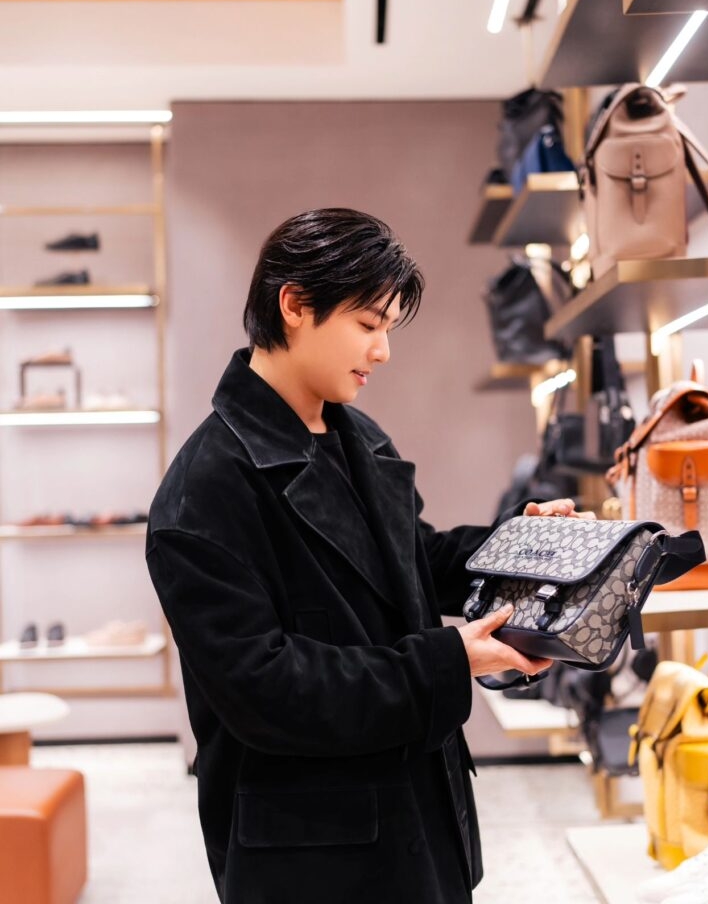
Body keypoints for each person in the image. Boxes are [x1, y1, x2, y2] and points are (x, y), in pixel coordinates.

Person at [146, 207, 586, 904]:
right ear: (294, 305)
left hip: (419, 816)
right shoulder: (203, 491)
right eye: (368, 324)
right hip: (310, 856)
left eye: (386, 328)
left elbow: (417, 559)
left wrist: (522, 548)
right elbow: (267, 689)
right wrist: (451, 660)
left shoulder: (358, 434)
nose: (381, 350)